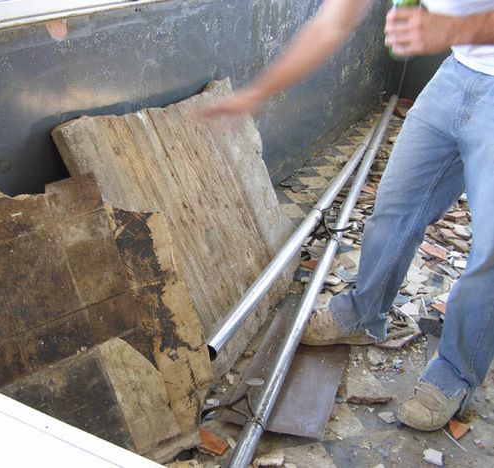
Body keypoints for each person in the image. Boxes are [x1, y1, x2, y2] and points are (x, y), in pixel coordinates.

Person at [200, 0, 494, 431]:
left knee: (488, 253)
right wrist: (257, 92)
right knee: (395, 208)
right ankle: (363, 312)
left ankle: (455, 373)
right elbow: (333, 20)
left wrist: (455, 28)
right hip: (456, 74)